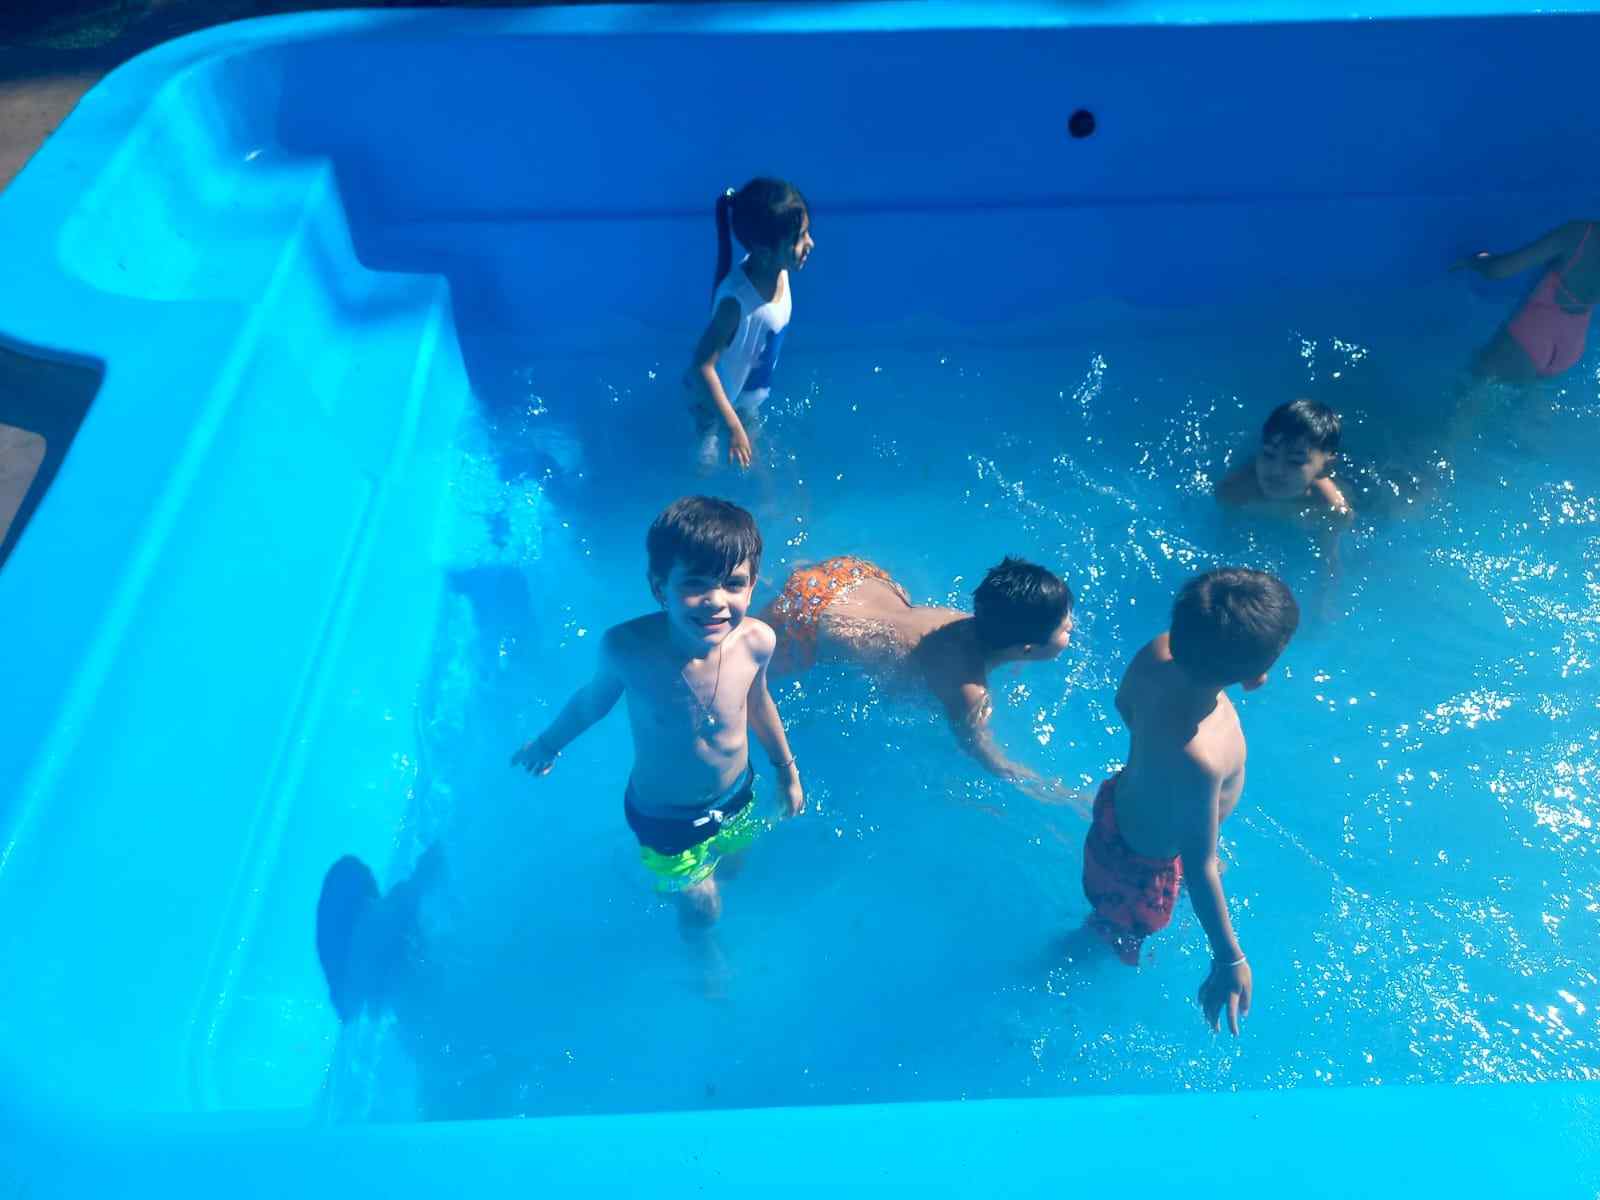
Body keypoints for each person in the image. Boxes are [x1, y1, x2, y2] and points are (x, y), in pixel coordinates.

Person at [511, 496, 803, 946]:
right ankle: (705, 958)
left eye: (733, 583)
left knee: (733, 866)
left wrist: (786, 771)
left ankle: (699, 888)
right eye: (695, 584)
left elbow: (759, 703)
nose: (715, 601)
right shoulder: (629, 651)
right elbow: (592, 704)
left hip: (736, 793)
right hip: (665, 817)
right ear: (659, 586)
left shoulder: (756, 642)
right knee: (703, 908)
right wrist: (548, 744)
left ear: (751, 587)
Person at [1079, 567, 1298, 1036]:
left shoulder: (1157, 652)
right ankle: (1075, 967)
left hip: (1117, 810)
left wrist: (1155, 763)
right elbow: (1200, 868)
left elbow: (1123, 704)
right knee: (1115, 939)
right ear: (1256, 678)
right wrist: (1229, 957)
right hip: (1142, 871)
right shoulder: (1200, 758)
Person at [761, 555, 1074, 800]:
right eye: (1064, 627)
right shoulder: (969, 692)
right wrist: (1037, 785)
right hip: (810, 622)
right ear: (1027, 649)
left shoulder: (970, 621)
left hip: (847, 577)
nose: (1071, 626)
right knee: (753, 674)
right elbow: (983, 753)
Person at [684, 178, 814, 472]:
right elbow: (702, 365)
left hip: (745, 395)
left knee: (756, 464)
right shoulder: (737, 302)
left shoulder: (778, 269)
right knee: (704, 469)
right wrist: (732, 426)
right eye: (799, 237)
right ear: (765, 251)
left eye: (807, 232)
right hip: (712, 403)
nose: (810, 243)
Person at [1459, 220, 1599, 381]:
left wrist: (1476, 260)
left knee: (1471, 389)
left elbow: (1498, 270)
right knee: (1531, 392)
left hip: (1532, 333)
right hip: (1571, 346)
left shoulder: (1581, 233)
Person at [1215, 398, 1350, 516]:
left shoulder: (1331, 507)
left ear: (1324, 467)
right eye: (1268, 454)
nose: (1276, 470)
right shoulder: (1234, 490)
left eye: (1295, 461)